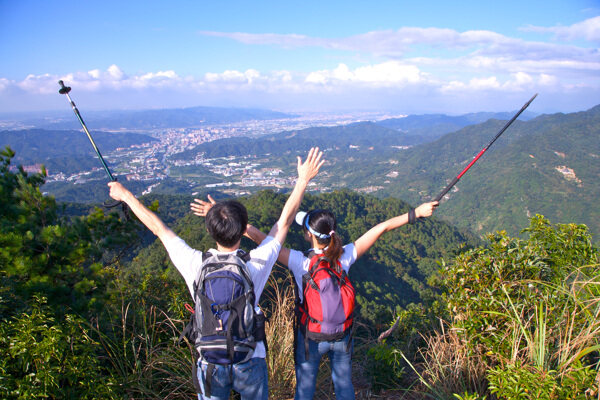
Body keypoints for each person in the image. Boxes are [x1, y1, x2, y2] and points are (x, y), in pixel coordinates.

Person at [108, 147, 325, 400]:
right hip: (250, 358)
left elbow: (158, 228)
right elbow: (284, 221)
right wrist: (302, 180)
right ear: (244, 229)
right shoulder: (254, 263)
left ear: (210, 232)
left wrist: (126, 196)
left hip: (209, 362)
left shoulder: (196, 264)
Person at [192, 197, 438, 400]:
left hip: (310, 337)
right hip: (342, 335)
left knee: (305, 390)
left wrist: (227, 221)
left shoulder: (302, 263)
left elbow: (268, 244)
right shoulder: (345, 257)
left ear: (309, 236)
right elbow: (381, 228)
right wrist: (416, 212)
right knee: (344, 386)